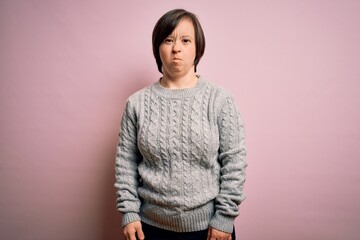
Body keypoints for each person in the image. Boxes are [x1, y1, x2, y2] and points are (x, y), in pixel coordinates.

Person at [115, 9, 247, 240]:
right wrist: (129, 213)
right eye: (168, 40)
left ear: (198, 48)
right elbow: (125, 163)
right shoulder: (136, 104)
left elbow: (235, 162)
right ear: (158, 48)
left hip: (209, 230)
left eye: (186, 41)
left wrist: (225, 219)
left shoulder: (220, 100)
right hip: (148, 229)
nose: (176, 48)